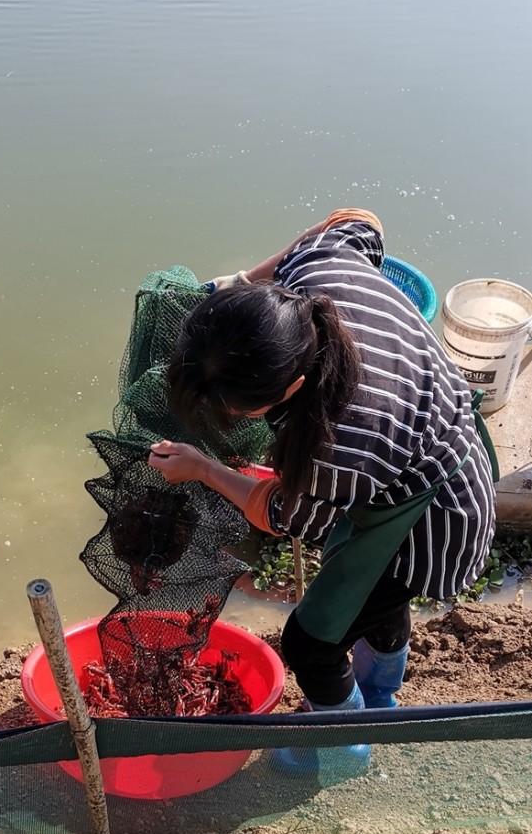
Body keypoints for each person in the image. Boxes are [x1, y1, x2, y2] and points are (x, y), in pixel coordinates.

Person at [148, 209, 496, 773]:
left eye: (235, 405)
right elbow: (359, 220)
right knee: (375, 605)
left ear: (292, 385)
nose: (225, 414)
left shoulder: (337, 445)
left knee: (311, 643)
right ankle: (379, 696)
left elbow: (287, 516)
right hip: (425, 440)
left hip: (436, 513)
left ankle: (344, 750)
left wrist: (206, 469)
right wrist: (240, 284)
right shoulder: (318, 265)